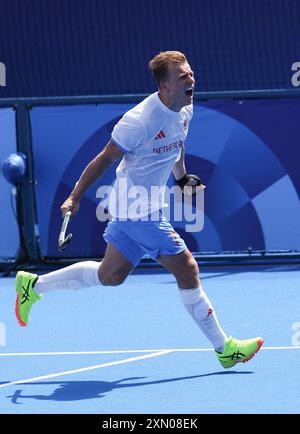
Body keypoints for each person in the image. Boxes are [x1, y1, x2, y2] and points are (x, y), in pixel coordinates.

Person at [15, 51, 263, 369]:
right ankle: (224, 348)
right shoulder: (140, 120)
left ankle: (33, 286)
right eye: (182, 76)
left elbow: (177, 143)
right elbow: (104, 158)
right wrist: (75, 196)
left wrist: (182, 177)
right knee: (187, 269)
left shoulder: (185, 108)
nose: (191, 79)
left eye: (190, 73)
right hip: (137, 211)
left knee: (111, 275)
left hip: (138, 208)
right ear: (164, 86)